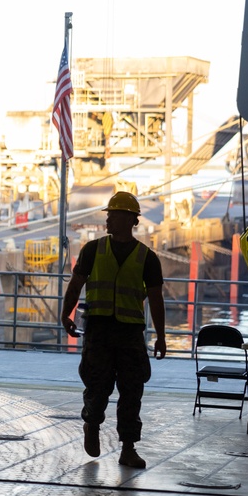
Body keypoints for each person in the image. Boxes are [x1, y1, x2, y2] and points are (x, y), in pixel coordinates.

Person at [60, 191, 167, 469]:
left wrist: (161, 337)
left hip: (130, 333)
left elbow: (156, 300)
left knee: (132, 390)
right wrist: (66, 313)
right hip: (99, 329)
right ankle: (92, 424)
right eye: (108, 215)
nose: (108, 219)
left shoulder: (147, 258)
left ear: (131, 219)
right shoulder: (93, 250)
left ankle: (128, 448)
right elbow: (76, 285)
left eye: (114, 215)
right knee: (97, 384)